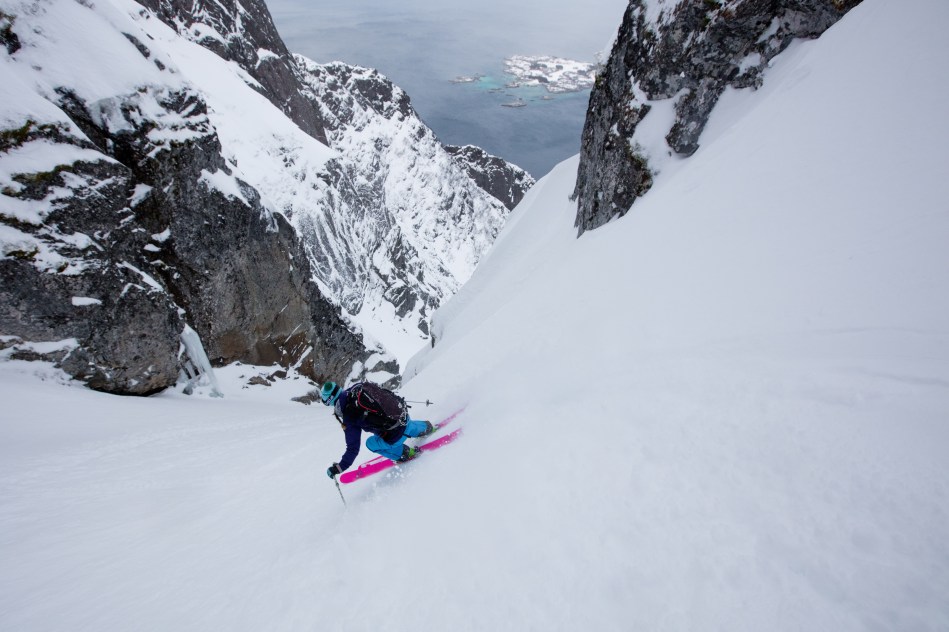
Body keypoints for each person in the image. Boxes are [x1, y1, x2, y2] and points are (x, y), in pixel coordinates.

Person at [321, 380, 435, 479]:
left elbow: (353, 449)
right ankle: (428, 428)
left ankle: (406, 453)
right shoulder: (358, 388)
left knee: (371, 443)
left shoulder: (349, 415)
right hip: (403, 417)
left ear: (330, 402)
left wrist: (340, 467)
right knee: (404, 426)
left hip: (395, 436)